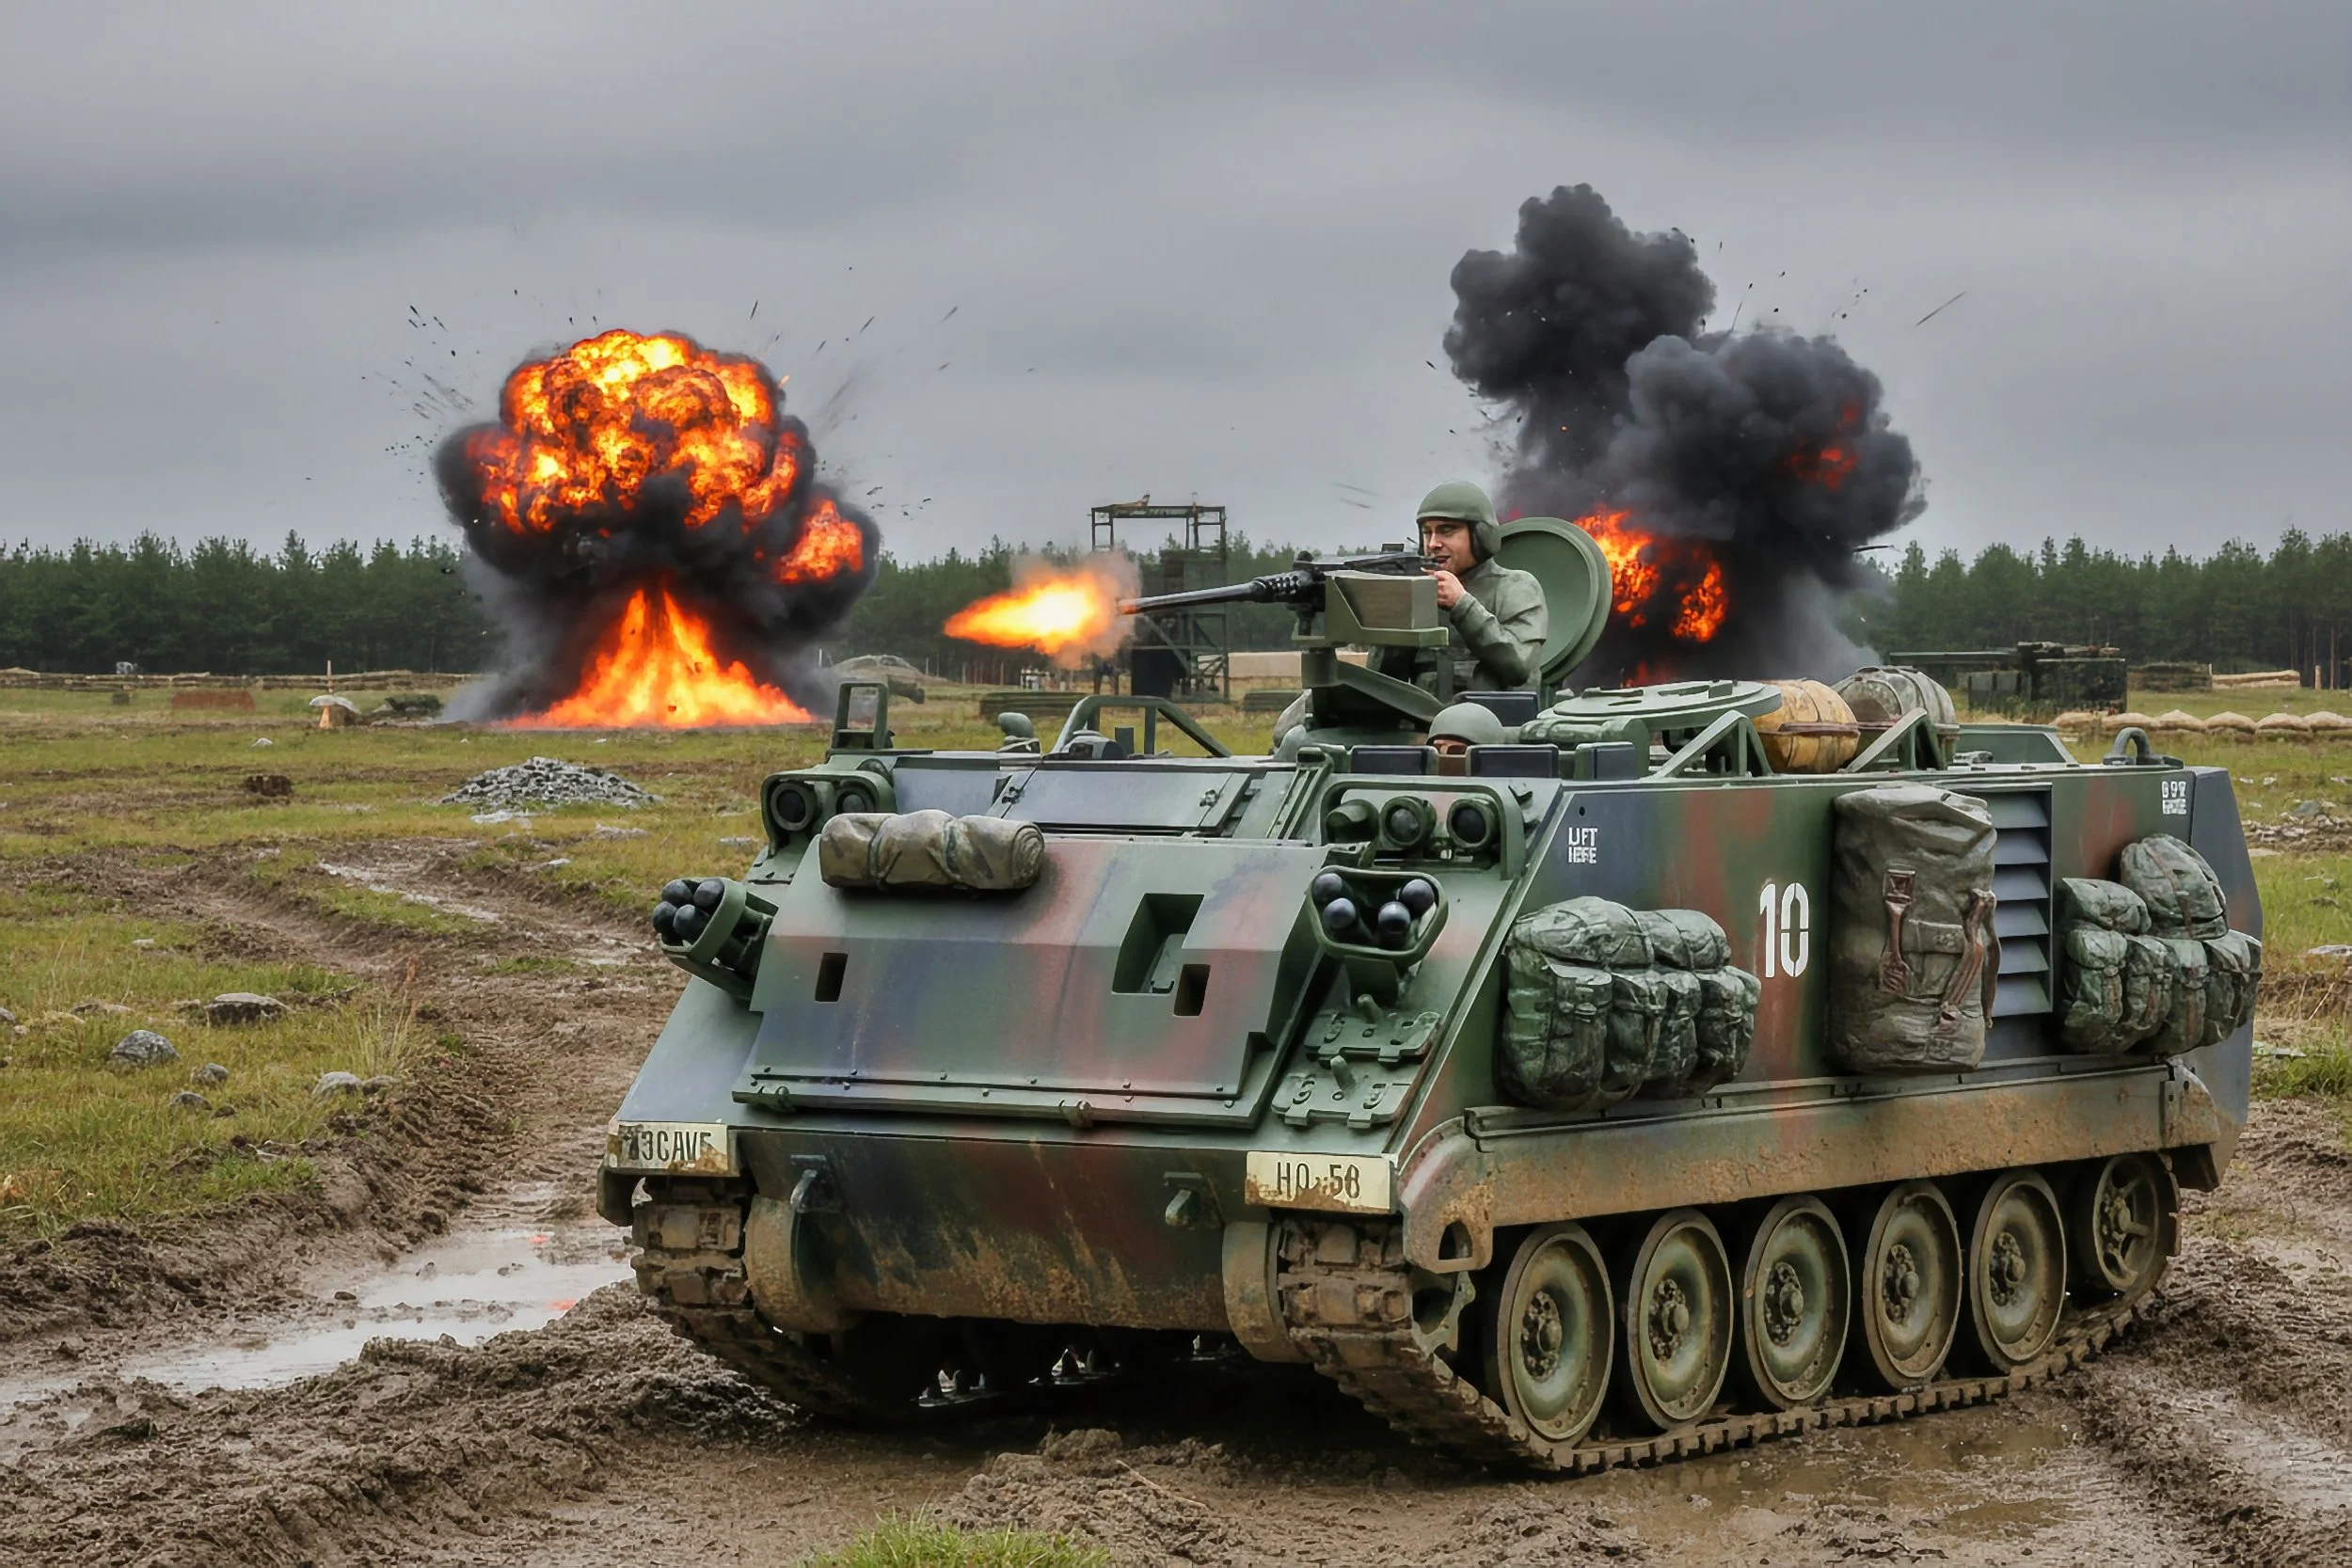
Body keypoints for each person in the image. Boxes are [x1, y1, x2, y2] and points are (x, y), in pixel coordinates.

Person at [1374, 480, 1548, 697]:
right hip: (1423, 716)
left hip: (1495, 717)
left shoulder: (1516, 588)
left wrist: (1462, 604)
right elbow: (1382, 684)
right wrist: (1393, 619)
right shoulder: (1420, 593)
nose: (1433, 543)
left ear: (1480, 535)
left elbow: (1519, 667)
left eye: (1446, 531)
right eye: (1427, 532)